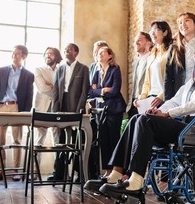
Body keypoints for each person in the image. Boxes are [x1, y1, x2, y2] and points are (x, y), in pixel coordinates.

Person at [85, 40, 195, 201]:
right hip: (186, 124)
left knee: (146, 122)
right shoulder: (194, 80)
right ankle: (117, 173)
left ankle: (136, 181)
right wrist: (159, 110)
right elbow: (175, 100)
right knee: (137, 118)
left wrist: (168, 114)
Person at [0, 45, 34, 182]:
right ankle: (0, 170)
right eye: (13, 53)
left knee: (17, 140)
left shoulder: (28, 75)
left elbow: (29, 95)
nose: (14, 56)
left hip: (16, 108)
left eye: (18, 54)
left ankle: (16, 170)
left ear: (24, 57)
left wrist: (25, 112)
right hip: (1, 107)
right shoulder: (3, 71)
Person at [48, 43, 89, 181]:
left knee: (76, 141)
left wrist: (79, 111)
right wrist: (55, 109)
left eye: (70, 49)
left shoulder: (83, 69)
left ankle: (78, 174)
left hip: (75, 106)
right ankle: (60, 173)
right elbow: (55, 90)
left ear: (76, 52)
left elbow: (84, 92)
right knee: (61, 140)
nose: (66, 51)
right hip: (61, 105)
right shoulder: (60, 69)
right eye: (65, 49)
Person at [88, 46, 126, 178]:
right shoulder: (97, 72)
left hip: (114, 109)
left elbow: (115, 90)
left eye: (102, 52)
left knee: (113, 139)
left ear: (110, 56)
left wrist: (99, 90)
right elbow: (91, 91)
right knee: (103, 141)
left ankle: (117, 170)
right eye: (98, 53)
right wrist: (104, 90)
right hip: (100, 110)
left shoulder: (115, 69)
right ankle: (108, 171)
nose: (99, 54)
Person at [32, 47, 62, 179]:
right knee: (39, 141)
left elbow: (65, 88)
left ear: (56, 56)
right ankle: (34, 172)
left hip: (58, 109)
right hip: (42, 108)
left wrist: (53, 86)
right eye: (46, 54)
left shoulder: (63, 69)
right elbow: (43, 88)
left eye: (51, 54)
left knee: (58, 142)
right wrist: (55, 88)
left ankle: (58, 171)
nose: (48, 56)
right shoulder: (39, 70)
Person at [164, 12, 195, 101]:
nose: (183, 24)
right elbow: (168, 77)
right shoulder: (174, 48)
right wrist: (167, 101)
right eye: (180, 23)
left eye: (186, 20)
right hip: (179, 94)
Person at [134, 21, 173, 110]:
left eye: (156, 30)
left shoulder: (170, 51)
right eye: (151, 31)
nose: (152, 33)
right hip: (150, 98)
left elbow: (172, 78)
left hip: (163, 98)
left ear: (165, 32)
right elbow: (147, 81)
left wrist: (161, 96)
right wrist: (141, 98)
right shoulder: (151, 55)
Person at [125, 31, 152, 118]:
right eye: (135, 41)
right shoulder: (135, 63)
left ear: (148, 43)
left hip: (147, 103)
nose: (136, 43)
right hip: (134, 104)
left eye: (139, 40)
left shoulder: (153, 60)